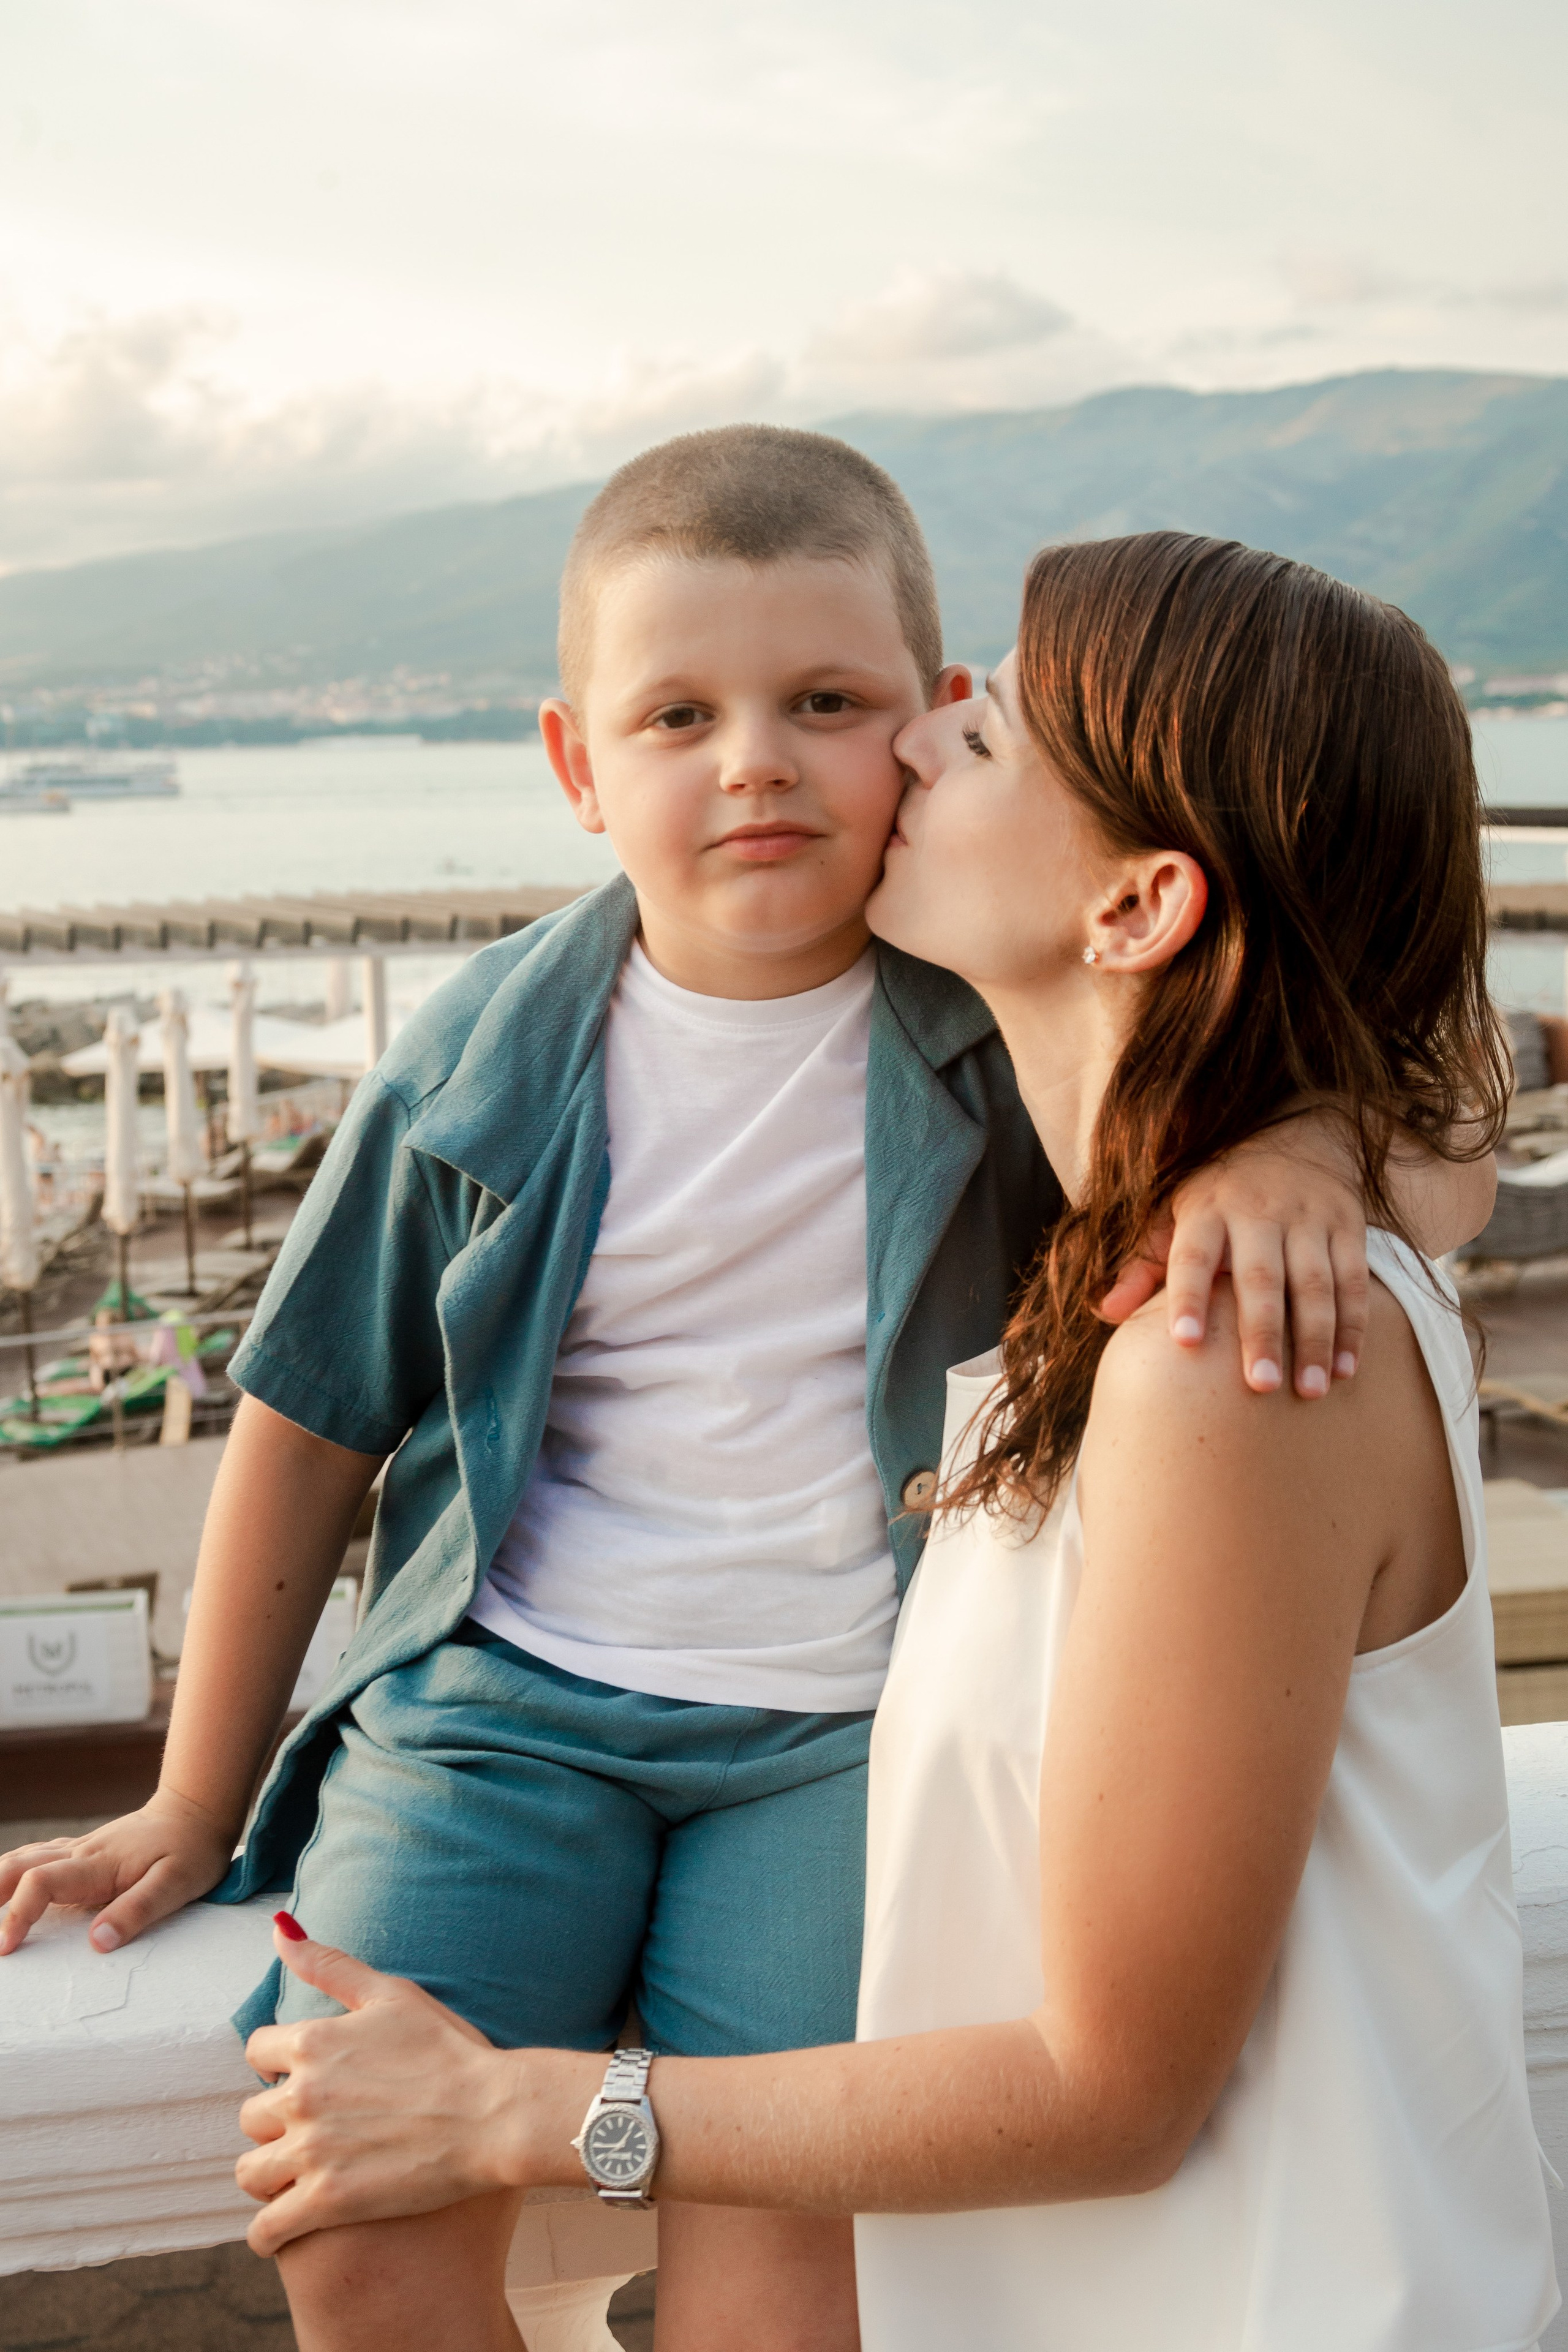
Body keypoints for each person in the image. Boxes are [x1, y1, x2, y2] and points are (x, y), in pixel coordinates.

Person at [2, 473, 1489, 2351]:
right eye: (682, 717)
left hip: (837, 1739)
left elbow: (1425, 1101)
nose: (813, 763)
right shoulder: (496, 1052)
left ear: (1128, 900)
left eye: (925, 719)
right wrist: (197, 1800)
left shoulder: (1134, 1212)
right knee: (348, 2194)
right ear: (579, 760)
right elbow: (308, 1423)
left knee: (781, 2291)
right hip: (504, 1705)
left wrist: (1305, 1150)